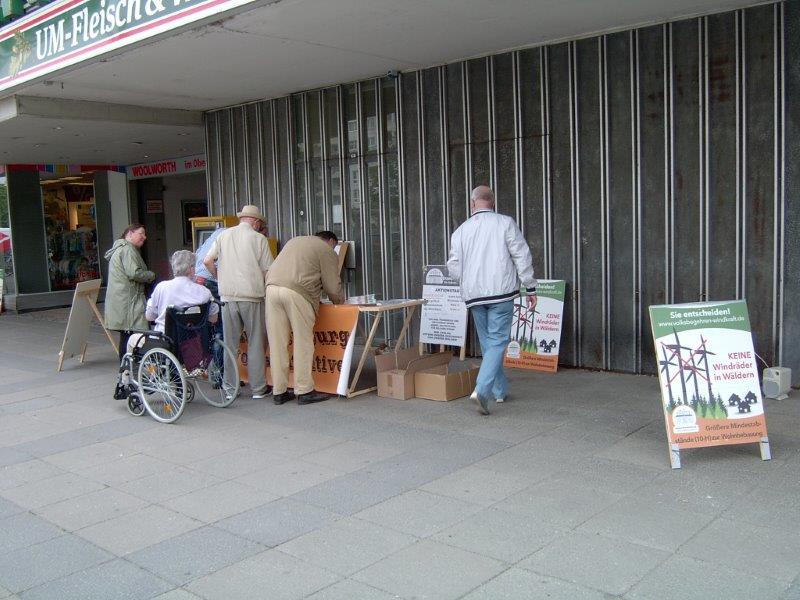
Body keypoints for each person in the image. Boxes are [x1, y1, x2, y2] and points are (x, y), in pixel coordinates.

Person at [447, 185, 537, 415]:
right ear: (493, 202)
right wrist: (530, 286)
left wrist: (466, 280)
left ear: (472, 203)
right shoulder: (505, 223)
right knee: (497, 342)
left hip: (474, 296)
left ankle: (499, 390)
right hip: (501, 292)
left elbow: (454, 269)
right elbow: (521, 254)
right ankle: (482, 390)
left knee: (489, 343)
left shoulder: (460, 231)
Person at [266, 231, 343, 406]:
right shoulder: (326, 249)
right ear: (331, 241)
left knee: (277, 343)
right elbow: (332, 285)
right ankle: (304, 390)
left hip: (271, 289)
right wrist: (339, 302)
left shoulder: (294, 241)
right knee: (303, 342)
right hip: (297, 293)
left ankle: (279, 391)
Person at [203, 205, 272, 399]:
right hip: (252, 296)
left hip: (227, 297)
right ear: (256, 222)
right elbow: (268, 270)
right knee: (255, 343)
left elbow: (207, 260)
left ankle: (230, 387)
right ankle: (258, 389)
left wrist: (219, 278)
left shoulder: (223, 235)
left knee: (230, 344)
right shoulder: (259, 239)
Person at [104, 223, 156, 360]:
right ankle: (129, 368)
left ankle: (126, 369)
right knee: (136, 335)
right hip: (129, 303)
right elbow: (134, 273)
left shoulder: (121, 248)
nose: (144, 237)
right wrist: (151, 275)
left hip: (122, 302)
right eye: (141, 233)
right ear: (130, 233)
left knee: (127, 335)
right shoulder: (127, 249)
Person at [146, 250, 219, 333]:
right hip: (194, 341)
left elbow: (149, 317)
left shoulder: (161, 288)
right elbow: (213, 319)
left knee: (133, 340)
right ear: (191, 269)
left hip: (165, 341)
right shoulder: (204, 292)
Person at [194, 227, 225, 300]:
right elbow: (207, 261)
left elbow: (197, 253)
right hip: (210, 281)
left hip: (197, 278)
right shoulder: (229, 237)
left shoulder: (217, 233)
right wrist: (218, 278)